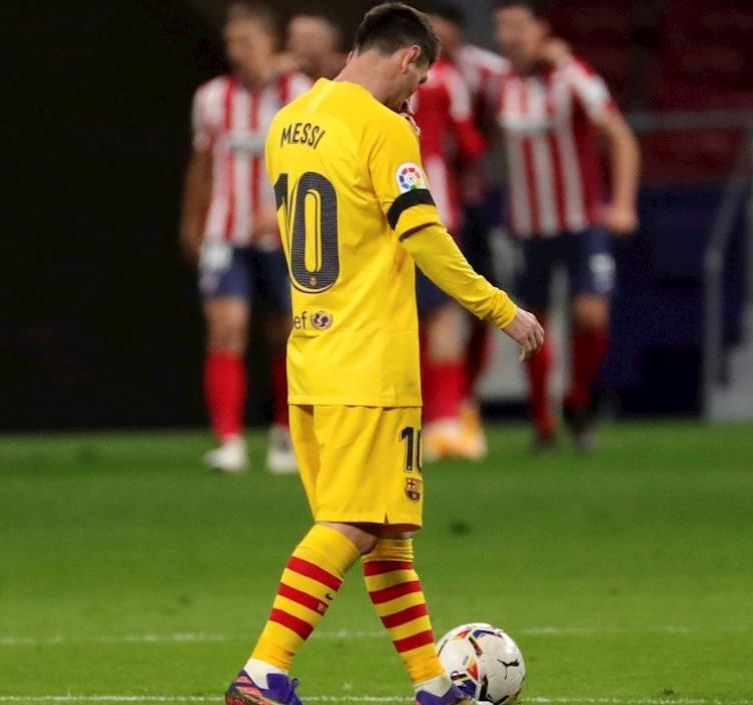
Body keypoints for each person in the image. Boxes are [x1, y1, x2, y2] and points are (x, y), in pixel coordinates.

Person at [225, 4, 543, 704]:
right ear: (406, 59)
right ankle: (264, 670)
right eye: (420, 77)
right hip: (371, 362)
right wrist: (500, 307)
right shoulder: (386, 130)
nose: (417, 93)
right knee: (351, 524)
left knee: (386, 533)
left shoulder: (290, 119)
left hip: (312, 357)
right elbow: (424, 236)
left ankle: (432, 683)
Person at [493, 0, 640, 451]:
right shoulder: (497, 84)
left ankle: (577, 400)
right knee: (530, 322)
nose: (510, 37)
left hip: (582, 221)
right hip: (529, 226)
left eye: (519, 26)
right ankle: (542, 423)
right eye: (502, 28)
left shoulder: (573, 74)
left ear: (541, 30)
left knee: (590, 313)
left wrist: (622, 203)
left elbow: (620, 137)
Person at [181, 2, 311, 474]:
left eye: (246, 42)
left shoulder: (301, 94)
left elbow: (321, 167)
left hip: (287, 234)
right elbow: (202, 163)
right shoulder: (213, 97)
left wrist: (284, 215)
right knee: (225, 327)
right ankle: (229, 440)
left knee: (287, 334)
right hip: (226, 231)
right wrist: (191, 221)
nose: (236, 51)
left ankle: (285, 434)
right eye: (231, 42)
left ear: (270, 43)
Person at [406, 26, 486, 460]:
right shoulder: (447, 77)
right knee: (441, 317)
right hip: (437, 207)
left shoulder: (366, 80)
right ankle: (446, 421)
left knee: (401, 319)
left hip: (385, 211)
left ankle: (408, 423)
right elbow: (471, 144)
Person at [284, 9, 345, 81]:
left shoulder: (347, 70)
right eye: (295, 39)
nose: (303, 47)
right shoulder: (282, 77)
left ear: (330, 42)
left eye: (309, 39)